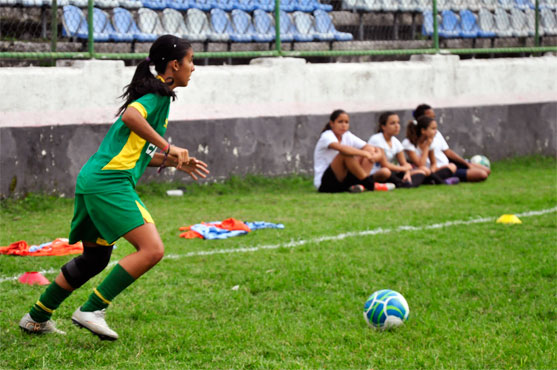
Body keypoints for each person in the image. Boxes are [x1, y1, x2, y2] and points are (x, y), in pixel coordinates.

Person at [19, 35, 209, 341]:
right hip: (109, 181)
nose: (194, 68)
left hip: (94, 179)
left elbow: (138, 151)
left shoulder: (159, 95)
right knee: (153, 250)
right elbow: (131, 116)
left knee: (95, 259)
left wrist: (170, 160)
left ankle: (36, 317)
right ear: (175, 65)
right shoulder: (156, 96)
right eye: (191, 61)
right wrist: (169, 146)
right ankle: (92, 309)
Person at [313, 109, 395, 193]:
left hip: (343, 179)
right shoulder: (327, 136)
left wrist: (377, 154)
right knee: (345, 154)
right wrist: (365, 154)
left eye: (346, 122)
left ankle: (360, 185)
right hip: (325, 183)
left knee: (369, 149)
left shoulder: (347, 135)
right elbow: (342, 149)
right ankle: (370, 184)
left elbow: (370, 147)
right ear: (332, 124)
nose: (343, 125)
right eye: (340, 122)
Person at [413, 104, 490, 182]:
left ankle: (462, 166)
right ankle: (446, 177)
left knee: (487, 170)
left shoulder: (435, 133)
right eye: (430, 118)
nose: (433, 121)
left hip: (449, 164)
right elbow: (421, 163)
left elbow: (447, 151)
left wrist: (466, 164)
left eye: (434, 118)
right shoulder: (415, 140)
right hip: (443, 169)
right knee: (482, 174)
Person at [368, 112, 427, 188]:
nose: (397, 126)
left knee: (421, 172)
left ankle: (402, 183)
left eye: (398, 123)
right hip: (377, 172)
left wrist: (407, 173)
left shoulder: (396, 141)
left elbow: (404, 163)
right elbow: (384, 164)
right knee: (385, 171)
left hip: (393, 172)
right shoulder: (377, 139)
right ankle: (402, 184)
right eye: (392, 123)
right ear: (383, 126)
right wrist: (404, 168)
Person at [402, 115, 458, 184]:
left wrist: (432, 170)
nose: (436, 131)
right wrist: (426, 147)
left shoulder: (429, 141)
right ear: (423, 131)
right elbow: (420, 164)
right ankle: (440, 181)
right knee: (423, 170)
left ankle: (432, 179)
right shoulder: (408, 143)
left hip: (427, 171)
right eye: (433, 129)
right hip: (415, 171)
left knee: (452, 166)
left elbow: (433, 163)